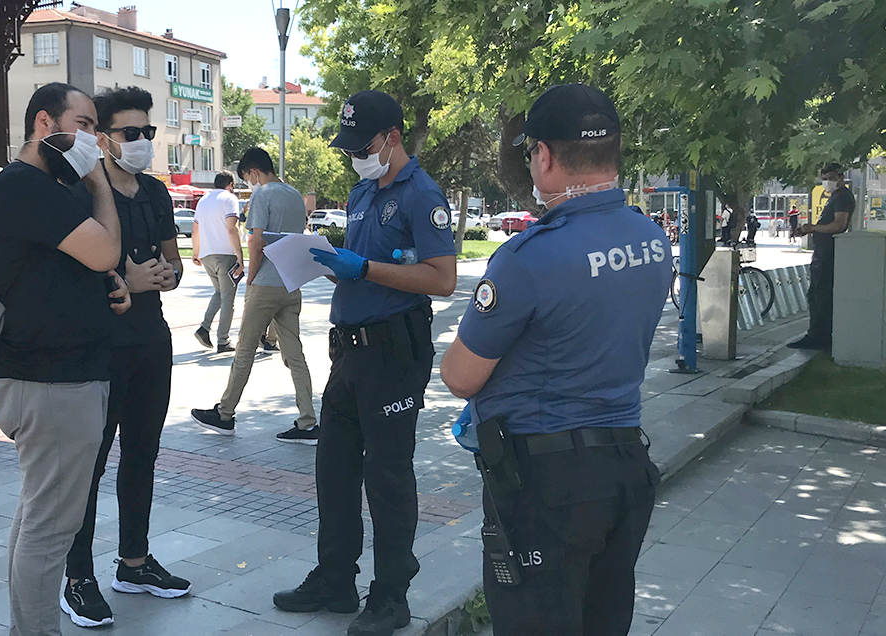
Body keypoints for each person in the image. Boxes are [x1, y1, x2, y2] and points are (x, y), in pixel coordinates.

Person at [439, 84, 667, 636]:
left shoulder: (528, 257)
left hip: (548, 484)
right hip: (625, 466)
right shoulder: (651, 238)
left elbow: (461, 376)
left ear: (543, 155)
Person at [272, 90, 457, 636]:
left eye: (364, 145)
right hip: (349, 350)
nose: (356, 155)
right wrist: (332, 264)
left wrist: (365, 269)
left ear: (393, 138)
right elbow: (365, 266)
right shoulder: (361, 191)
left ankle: (391, 594)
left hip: (394, 353)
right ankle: (335, 578)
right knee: (334, 469)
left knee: (388, 476)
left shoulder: (422, 195)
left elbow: (442, 278)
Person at [0, 82, 131, 636]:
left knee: (37, 518)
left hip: (45, 379)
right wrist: (99, 182)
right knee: (50, 529)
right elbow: (107, 249)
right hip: (53, 383)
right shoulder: (27, 188)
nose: (96, 137)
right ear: (46, 123)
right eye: (86, 125)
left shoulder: (36, 189)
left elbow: (82, 269)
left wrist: (110, 283)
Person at [61, 86, 190, 628]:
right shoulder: (81, 191)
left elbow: (173, 265)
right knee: (88, 466)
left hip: (151, 344)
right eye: (128, 133)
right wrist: (127, 281)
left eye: (147, 133)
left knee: (142, 454)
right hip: (99, 349)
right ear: (103, 137)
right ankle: (78, 577)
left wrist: (166, 276)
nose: (140, 142)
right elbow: (69, 274)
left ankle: (133, 563)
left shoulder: (158, 194)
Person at [191, 148, 319, 445]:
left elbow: (256, 240)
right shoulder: (294, 195)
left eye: (247, 177)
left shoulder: (263, 195)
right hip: (290, 283)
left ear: (254, 172)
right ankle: (308, 421)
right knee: (295, 354)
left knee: (245, 350)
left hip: (265, 285)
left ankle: (224, 414)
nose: (249, 182)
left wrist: (251, 277)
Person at [790, 162, 854, 350]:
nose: (827, 183)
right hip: (822, 253)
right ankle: (818, 334)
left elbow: (838, 225)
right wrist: (806, 231)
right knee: (816, 295)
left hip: (828, 256)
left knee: (821, 296)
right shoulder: (835, 197)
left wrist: (813, 228)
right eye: (824, 179)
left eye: (831, 178)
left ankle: (819, 337)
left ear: (841, 177)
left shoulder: (842, 197)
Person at [192, 171, 243, 353]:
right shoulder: (229, 199)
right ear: (229, 184)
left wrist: (196, 253)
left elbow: (195, 230)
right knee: (228, 298)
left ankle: (204, 328)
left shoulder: (203, 201)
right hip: (225, 254)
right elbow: (232, 228)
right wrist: (240, 256)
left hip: (207, 255)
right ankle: (223, 340)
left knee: (220, 293)